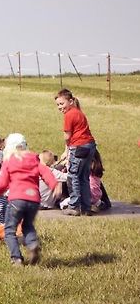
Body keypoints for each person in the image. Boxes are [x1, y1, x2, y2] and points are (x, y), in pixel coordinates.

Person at [0, 133, 60, 266]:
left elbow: (3, 182)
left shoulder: (9, 161)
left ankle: (16, 258)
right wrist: (54, 185)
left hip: (16, 199)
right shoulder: (34, 160)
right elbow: (46, 172)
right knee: (27, 225)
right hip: (34, 200)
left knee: (10, 230)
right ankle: (33, 244)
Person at [55, 88, 96, 216]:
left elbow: (67, 136)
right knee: (83, 177)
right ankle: (86, 207)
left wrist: (67, 150)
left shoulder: (69, 114)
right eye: (58, 105)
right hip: (89, 145)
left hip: (79, 147)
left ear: (71, 101)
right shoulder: (79, 112)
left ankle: (74, 206)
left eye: (62, 104)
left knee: (73, 177)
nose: (60, 107)